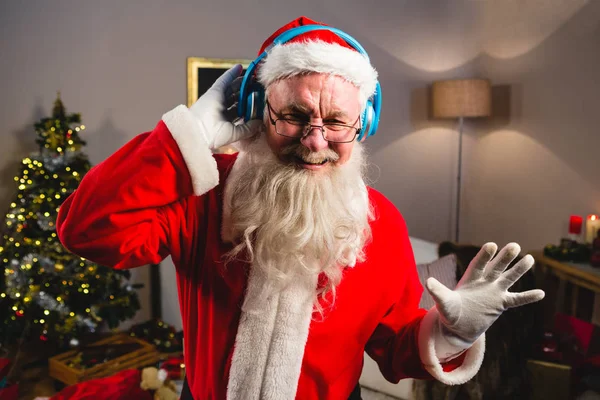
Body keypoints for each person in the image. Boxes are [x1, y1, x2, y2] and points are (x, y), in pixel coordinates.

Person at [56, 16, 545, 400]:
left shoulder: (379, 224)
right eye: (293, 115)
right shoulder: (203, 196)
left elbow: (396, 349)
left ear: (364, 124)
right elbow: (86, 230)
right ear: (256, 112)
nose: (315, 142)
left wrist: (452, 333)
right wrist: (195, 133)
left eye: (336, 121)